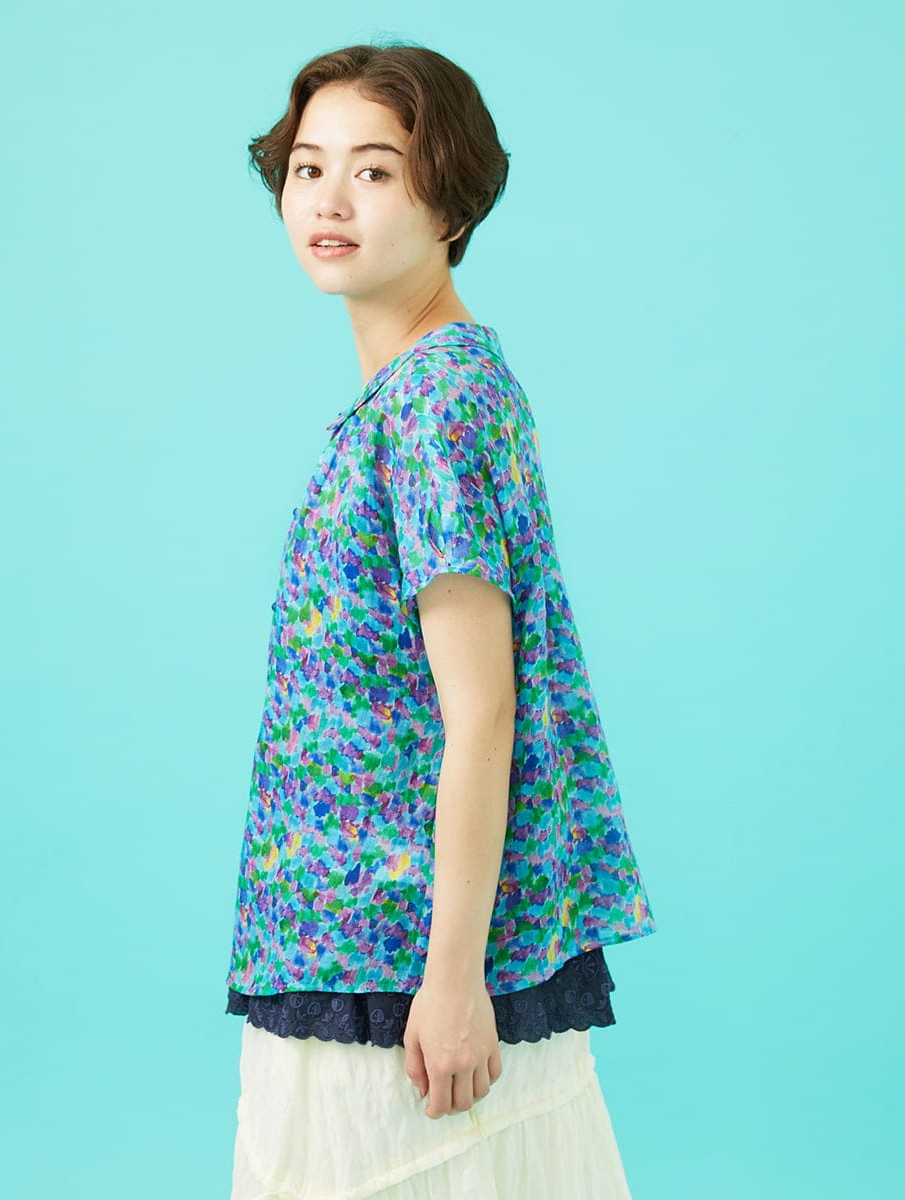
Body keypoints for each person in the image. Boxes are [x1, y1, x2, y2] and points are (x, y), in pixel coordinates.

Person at [225, 40, 657, 1200]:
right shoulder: (421, 389)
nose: (328, 198)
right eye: (307, 167)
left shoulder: (436, 401)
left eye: (374, 170)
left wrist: (453, 981)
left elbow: (484, 709)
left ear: (450, 201)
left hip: (394, 960)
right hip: (348, 936)